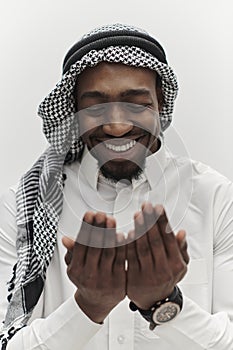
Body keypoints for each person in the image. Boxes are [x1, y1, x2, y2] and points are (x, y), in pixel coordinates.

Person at [0, 23, 233, 350]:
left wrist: (164, 303)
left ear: (160, 104)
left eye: (136, 104)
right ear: (75, 112)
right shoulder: (25, 206)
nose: (118, 125)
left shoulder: (216, 198)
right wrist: (88, 307)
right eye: (95, 107)